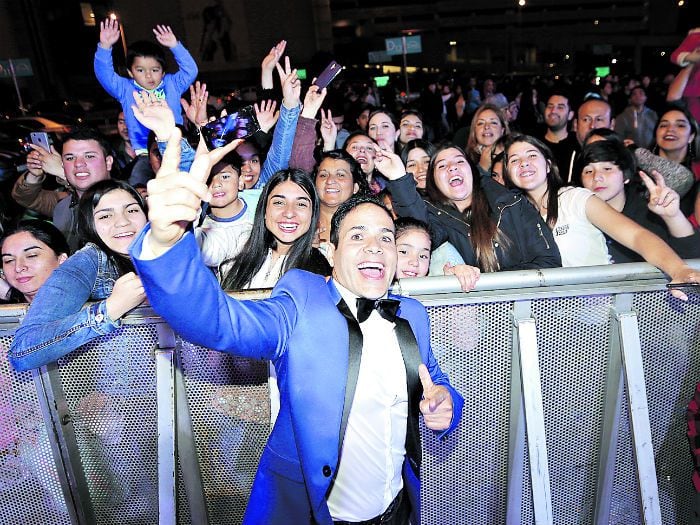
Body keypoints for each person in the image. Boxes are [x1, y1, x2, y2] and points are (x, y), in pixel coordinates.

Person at [130, 130, 463, 524]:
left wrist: (447, 406)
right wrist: (167, 242)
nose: (375, 246)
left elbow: (436, 382)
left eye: (385, 238)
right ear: (331, 252)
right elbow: (219, 323)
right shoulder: (300, 302)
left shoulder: (412, 314)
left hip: (398, 508)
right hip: (313, 512)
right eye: (358, 236)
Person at [502, 134, 699, 298]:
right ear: (508, 173)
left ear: (547, 165)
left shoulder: (576, 198)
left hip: (599, 318)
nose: (524, 163)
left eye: (531, 155)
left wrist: (678, 269)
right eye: (514, 160)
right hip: (555, 319)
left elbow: (636, 236)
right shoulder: (515, 216)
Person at [9, 180, 148, 371]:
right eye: (105, 215)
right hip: (130, 396)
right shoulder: (90, 261)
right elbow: (23, 352)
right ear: (90, 223)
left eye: (132, 210)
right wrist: (110, 309)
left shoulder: (170, 251)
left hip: (193, 388)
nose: (122, 221)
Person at [382, 143, 562, 272]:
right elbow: (419, 229)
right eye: (442, 166)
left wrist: (494, 285)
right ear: (434, 182)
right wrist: (398, 178)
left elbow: (549, 261)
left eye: (460, 162)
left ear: (473, 172)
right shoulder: (436, 218)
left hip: (527, 309)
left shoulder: (512, 205)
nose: (452, 168)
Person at [94, 19, 198, 186]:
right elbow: (104, 74)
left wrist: (175, 46)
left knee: (187, 185)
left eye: (155, 70)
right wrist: (105, 47)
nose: (148, 76)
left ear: (163, 72)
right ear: (130, 72)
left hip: (175, 147)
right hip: (144, 152)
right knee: (140, 190)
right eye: (140, 70)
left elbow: (191, 71)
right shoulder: (125, 88)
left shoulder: (172, 84)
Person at [577, 139, 700, 263]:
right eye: (588, 171)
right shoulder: (574, 215)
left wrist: (673, 217)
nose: (597, 177)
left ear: (625, 176)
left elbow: (690, 259)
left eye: (607, 168)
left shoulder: (648, 215)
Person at [220, 169, 330, 291]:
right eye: (279, 202)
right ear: (265, 210)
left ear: (312, 214)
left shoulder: (321, 271)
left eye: (301, 204)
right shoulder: (235, 254)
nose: (289, 213)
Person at [11, 127, 114, 252]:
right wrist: (35, 173)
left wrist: (62, 173)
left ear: (108, 162)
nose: (78, 163)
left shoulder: (129, 201)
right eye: (70, 158)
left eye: (89, 156)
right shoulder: (63, 206)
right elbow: (25, 197)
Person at [394, 217, 479, 291]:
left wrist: (454, 284)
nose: (415, 262)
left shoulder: (433, 289)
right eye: (404, 252)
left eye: (423, 256)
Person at [313, 150, 369, 254]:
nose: (330, 180)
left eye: (340, 175)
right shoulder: (302, 223)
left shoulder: (367, 227)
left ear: (355, 187)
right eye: (323, 175)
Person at [1, 220, 69, 303]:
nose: (18, 268)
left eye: (31, 255)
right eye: (9, 260)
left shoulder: (86, 310)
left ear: (62, 259)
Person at [465, 103, 509, 175]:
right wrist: (482, 168)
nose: (486, 126)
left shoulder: (514, 155)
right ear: (475, 131)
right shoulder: (465, 162)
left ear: (502, 130)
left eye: (493, 122)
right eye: (481, 123)